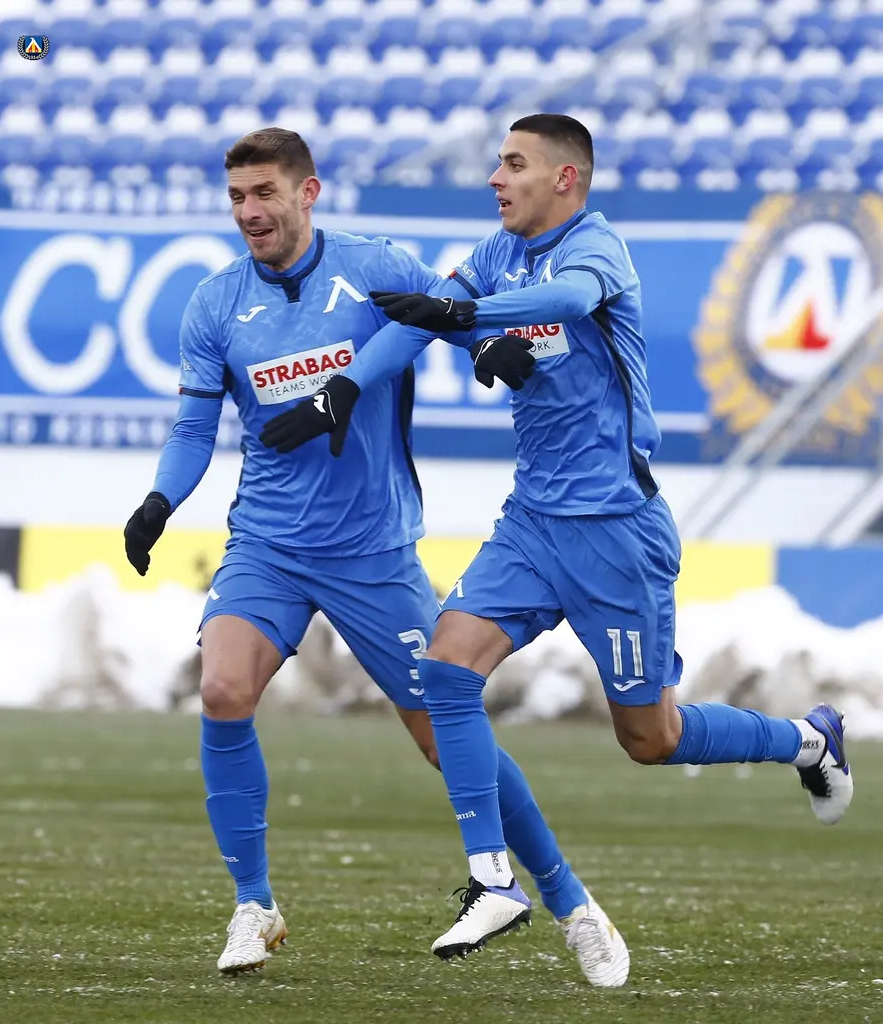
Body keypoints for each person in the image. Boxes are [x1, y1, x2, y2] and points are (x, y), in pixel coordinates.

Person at [267, 113, 853, 969]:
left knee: (649, 738)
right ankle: (493, 881)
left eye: (513, 164)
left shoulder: (595, 248)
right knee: (444, 671)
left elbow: (567, 302)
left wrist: (468, 314)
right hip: (532, 524)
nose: (495, 178)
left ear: (563, 178)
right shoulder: (498, 252)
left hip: (616, 533)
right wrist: (343, 389)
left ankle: (806, 740)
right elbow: (425, 321)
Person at [123, 127, 629, 985]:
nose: (248, 212)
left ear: (307, 192)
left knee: (444, 738)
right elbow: (192, 428)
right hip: (269, 544)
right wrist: (159, 501)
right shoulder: (215, 304)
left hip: (373, 551)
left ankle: (572, 903)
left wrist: (487, 346)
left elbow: (448, 315)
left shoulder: (374, 264)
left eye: (264, 193)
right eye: (237, 196)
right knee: (222, 690)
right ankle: (253, 904)